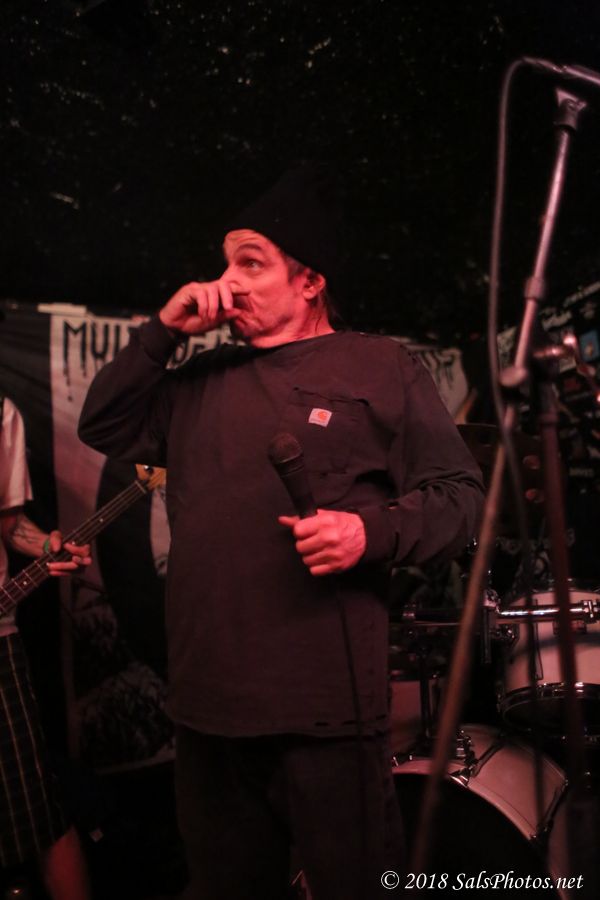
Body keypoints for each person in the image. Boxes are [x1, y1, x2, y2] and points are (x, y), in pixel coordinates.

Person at [78, 166, 484, 900]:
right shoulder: (198, 382)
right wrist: (163, 331)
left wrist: (368, 533)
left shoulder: (379, 365)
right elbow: (101, 423)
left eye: (250, 263)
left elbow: (461, 499)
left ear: (310, 281)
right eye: (224, 263)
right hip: (207, 713)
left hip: (327, 713)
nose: (226, 282)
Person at [0, 394, 92, 900]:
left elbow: (10, 524)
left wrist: (48, 548)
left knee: (36, 806)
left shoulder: (2, 412)